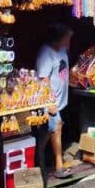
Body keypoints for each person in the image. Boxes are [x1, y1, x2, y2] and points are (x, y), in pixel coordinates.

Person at [36, 23, 74, 179]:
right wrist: (49, 101)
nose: (68, 41)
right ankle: (58, 166)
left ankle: (39, 161)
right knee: (56, 128)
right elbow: (43, 80)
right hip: (49, 101)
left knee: (47, 134)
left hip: (59, 100)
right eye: (66, 38)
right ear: (58, 39)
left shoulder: (62, 50)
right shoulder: (46, 54)